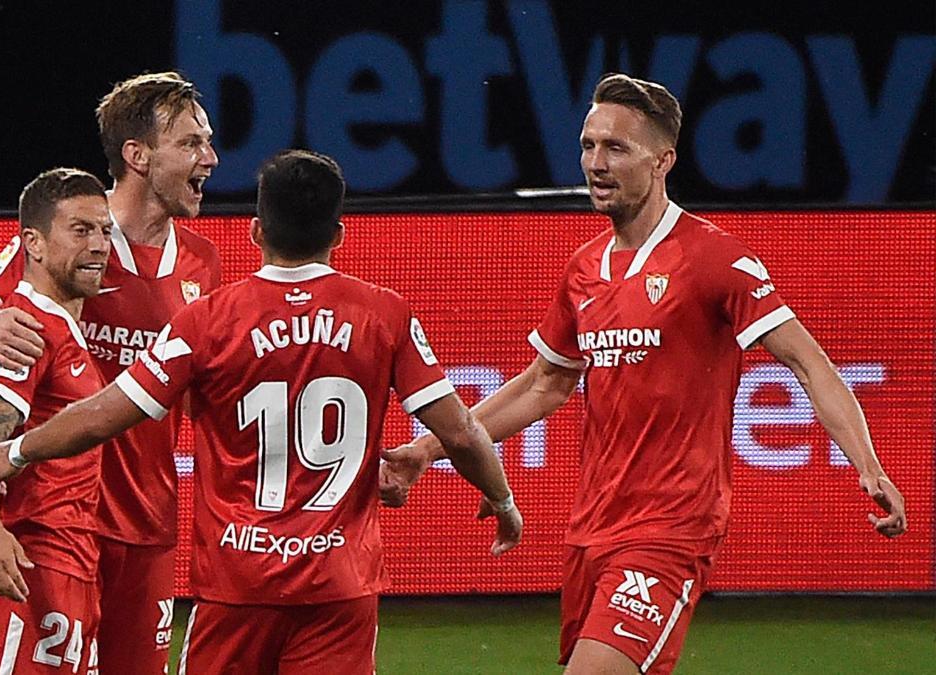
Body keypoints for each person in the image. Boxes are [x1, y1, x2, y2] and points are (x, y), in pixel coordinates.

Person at [380, 73, 907, 674]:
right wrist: (428, 448)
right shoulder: (584, 269)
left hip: (671, 529)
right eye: (588, 145)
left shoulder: (715, 259)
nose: (595, 163)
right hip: (591, 530)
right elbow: (543, 385)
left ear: (663, 161)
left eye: (616, 148)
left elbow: (809, 367)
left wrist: (870, 467)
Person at [0, 150, 524, 674]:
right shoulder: (384, 314)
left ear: (256, 231)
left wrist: (17, 450)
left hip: (236, 585)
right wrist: (500, 499)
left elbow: (106, 414)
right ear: (338, 235)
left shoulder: (208, 321)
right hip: (340, 586)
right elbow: (460, 431)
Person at [0, 72, 222, 673]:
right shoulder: (71, 239)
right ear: (138, 155)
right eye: (191, 143)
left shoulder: (202, 260)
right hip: (58, 523)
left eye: (207, 142)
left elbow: (201, 398)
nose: (210, 158)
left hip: (147, 526)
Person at [0, 167, 112, 674]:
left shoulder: (65, 327)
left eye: (105, 231)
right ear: (35, 244)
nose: (98, 245)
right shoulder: (26, 325)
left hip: (72, 561)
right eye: (81, 230)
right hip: (30, 563)